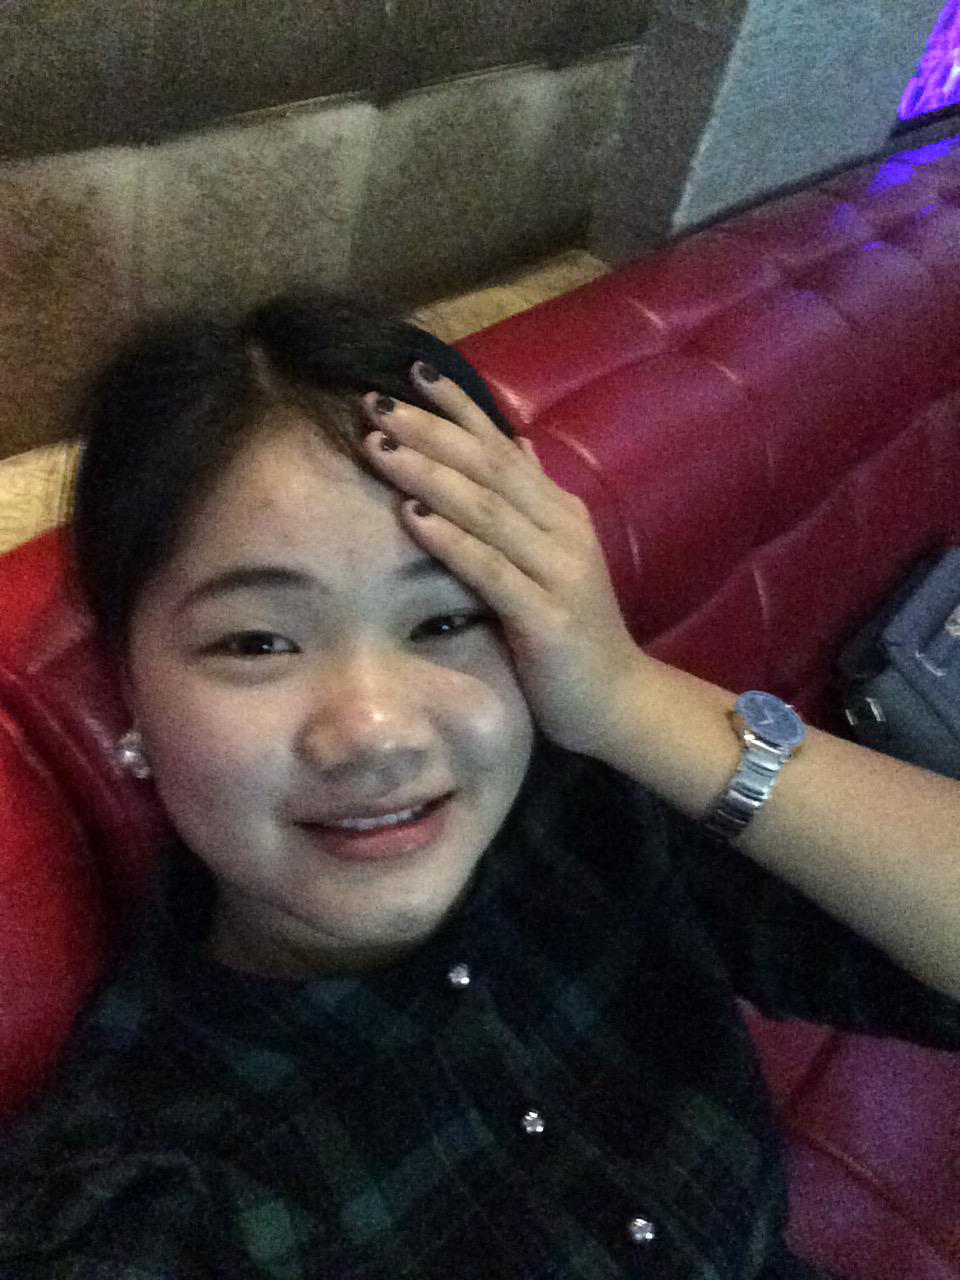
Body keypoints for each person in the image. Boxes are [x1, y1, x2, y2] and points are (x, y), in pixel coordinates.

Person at [0, 289, 957, 1280]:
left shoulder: (587, 815)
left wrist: (627, 696)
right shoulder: (143, 1197)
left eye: (447, 619)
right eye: (257, 642)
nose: (375, 732)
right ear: (126, 690)